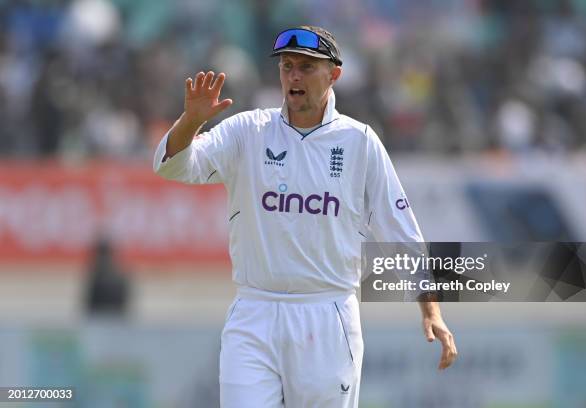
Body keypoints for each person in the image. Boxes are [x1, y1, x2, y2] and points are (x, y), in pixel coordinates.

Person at [153, 25, 457, 408]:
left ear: (334, 75)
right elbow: (174, 167)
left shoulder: (359, 142)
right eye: (287, 66)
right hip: (254, 313)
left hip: (326, 317)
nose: (294, 76)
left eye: (307, 67)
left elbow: (402, 234)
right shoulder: (249, 130)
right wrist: (191, 121)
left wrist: (432, 311)